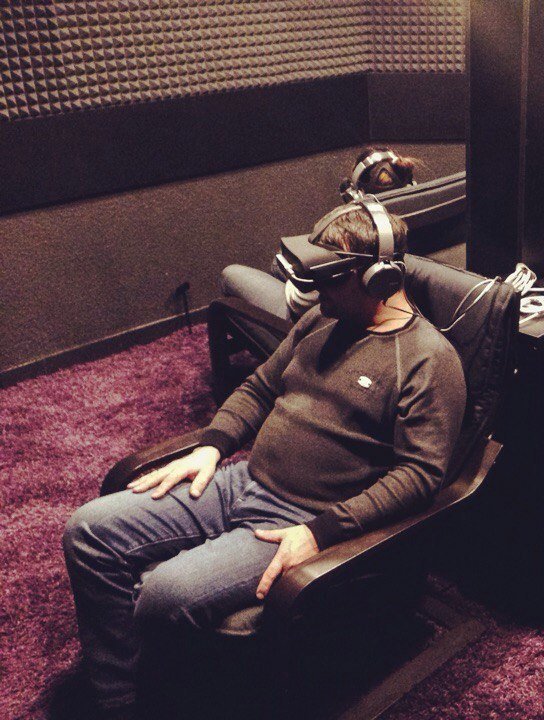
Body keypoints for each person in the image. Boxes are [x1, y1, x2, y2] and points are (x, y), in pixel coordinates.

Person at [62, 202, 466, 719]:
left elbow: (420, 476)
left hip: (298, 519)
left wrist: (321, 532)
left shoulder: (429, 360)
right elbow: (259, 386)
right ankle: (118, 698)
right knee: (89, 531)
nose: (314, 292)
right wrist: (212, 445)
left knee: (164, 594)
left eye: (329, 279)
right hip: (240, 480)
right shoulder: (322, 319)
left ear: (379, 278)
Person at [219, 146, 423, 321]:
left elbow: (304, 298)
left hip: (315, 316)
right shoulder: (423, 220)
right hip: (384, 307)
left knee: (233, 273)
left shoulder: (351, 238)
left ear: (356, 196)